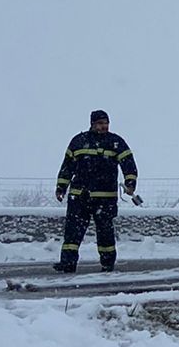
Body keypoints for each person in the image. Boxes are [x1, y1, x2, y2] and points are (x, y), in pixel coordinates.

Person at [53, 110, 140, 272]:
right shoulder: (78, 141)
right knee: (72, 232)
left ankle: (107, 264)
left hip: (105, 198)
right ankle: (67, 263)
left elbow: (128, 163)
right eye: (100, 123)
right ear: (92, 124)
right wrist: (61, 187)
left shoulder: (116, 142)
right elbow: (67, 166)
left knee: (105, 232)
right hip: (79, 196)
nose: (104, 126)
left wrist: (130, 182)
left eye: (106, 123)